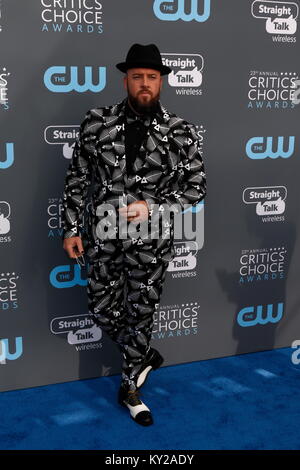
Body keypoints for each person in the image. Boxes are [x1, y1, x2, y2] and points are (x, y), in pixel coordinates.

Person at [61, 43, 207, 426]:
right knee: (101, 307)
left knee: (141, 314)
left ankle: (130, 388)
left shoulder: (181, 131)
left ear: (161, 82)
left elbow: (197, 186)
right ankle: (142, 356)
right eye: (138, 77)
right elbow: (77, 180)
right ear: (126, 80)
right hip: (103, 236)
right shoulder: (96, 121)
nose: (145, 84)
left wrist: (154, 206)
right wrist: (72, 228)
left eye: (152, 78)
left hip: (153, 241)